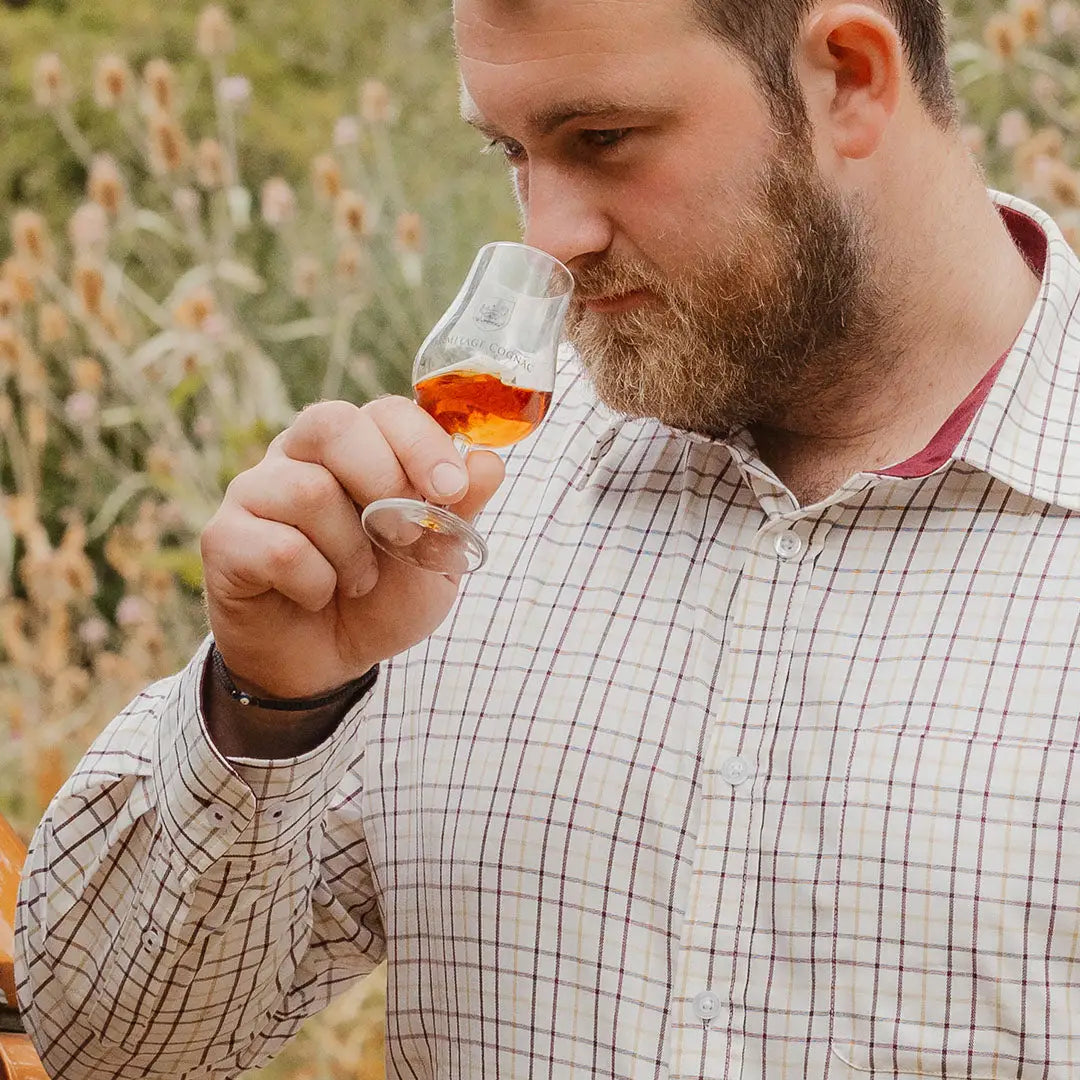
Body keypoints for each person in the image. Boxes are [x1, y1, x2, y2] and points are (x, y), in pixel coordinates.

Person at [14, 0, 1080, 1075]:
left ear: (848, 76)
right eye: (512, 152)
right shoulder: (463, 501)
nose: (547, 240)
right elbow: (112, 1046)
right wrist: (274, 704)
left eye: (602, 141)